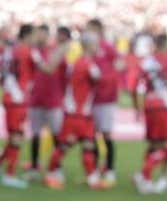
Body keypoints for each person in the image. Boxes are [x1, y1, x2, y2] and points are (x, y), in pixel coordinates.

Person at [45, 32, 104, 190]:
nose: (98, 47)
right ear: (89, 45)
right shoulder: (86, 63)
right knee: (65, 145)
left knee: (88, 145)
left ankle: (92, 177)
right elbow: (99, 78)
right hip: (76, 113)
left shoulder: (78, 62)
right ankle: (50, 174)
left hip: (81, 113)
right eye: (96, 43)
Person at [132, 33, 167, 194]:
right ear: (165, 45)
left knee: (154, 143)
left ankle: (142, 175)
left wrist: (137, 107)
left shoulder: (147, 62)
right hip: (164, 106)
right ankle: (145, 176)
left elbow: (136, 86)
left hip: (149, 105)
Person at [0, 24, 34, 189]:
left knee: (13, 135)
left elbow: (0, 70)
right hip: (18, 98)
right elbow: (45, 68)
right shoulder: (27, 51)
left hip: (9, 96)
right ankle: (9, 174)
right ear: (28, 35)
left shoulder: (9, 50)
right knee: (17, 135)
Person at [27, 25, 67, 179]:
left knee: (57, 134)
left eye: (42, 34)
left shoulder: (54, 51)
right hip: (36, 98)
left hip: (54, 99)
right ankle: (34, 167)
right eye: (37, 34)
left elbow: (57, 72)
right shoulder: (32, 51)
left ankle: (56, 168)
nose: (39, 37)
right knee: (35, 134)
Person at [86, 18, 121, 188]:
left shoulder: (107, 47)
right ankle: (94, 170)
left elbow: (120, 64)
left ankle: (110, 170)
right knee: (91, 136)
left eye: (90, 29)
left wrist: (108, 78)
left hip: (106, 98)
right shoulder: (87, 49)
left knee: (106, 134)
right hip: (90, 98)